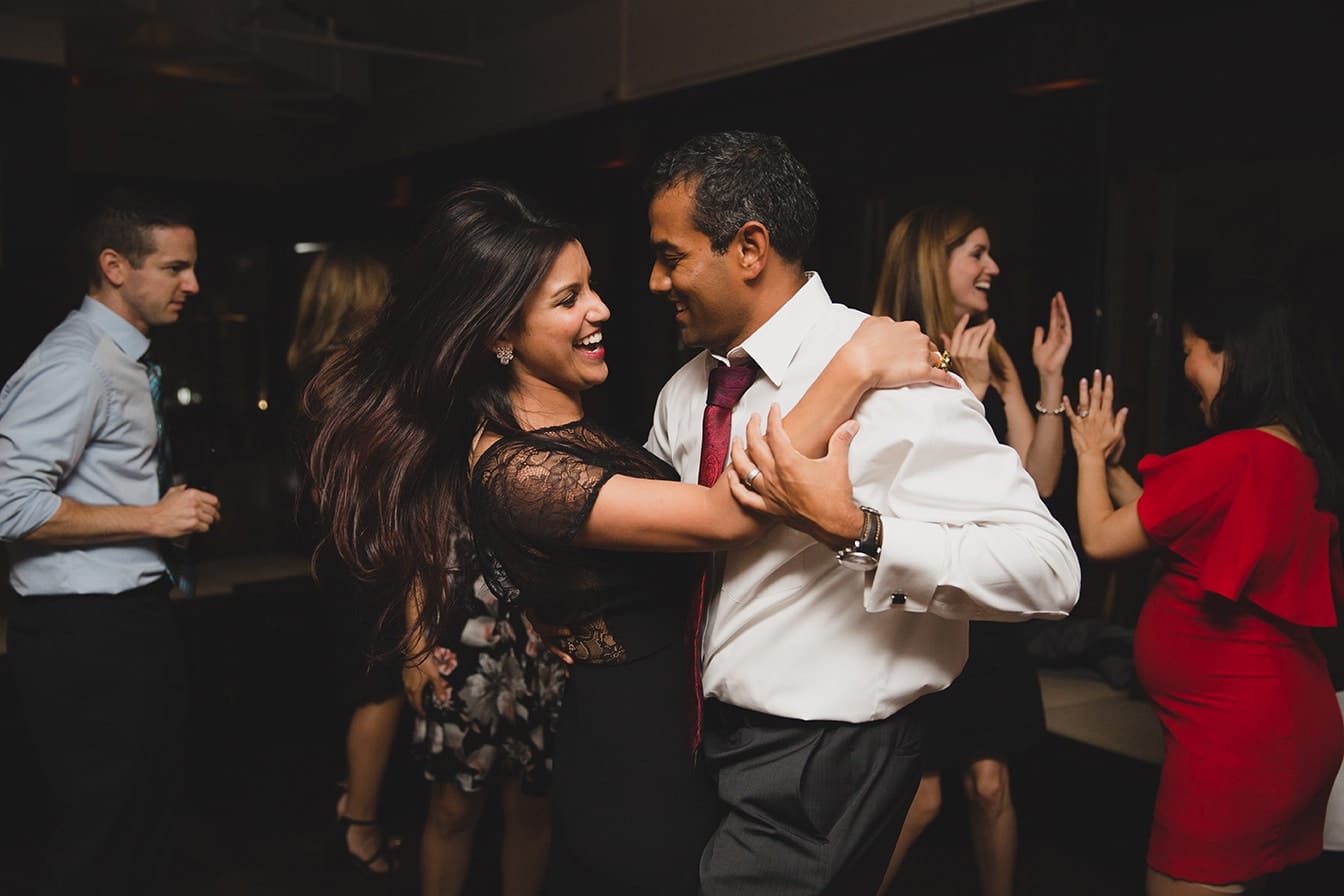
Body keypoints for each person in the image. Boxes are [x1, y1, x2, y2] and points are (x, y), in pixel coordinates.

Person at [304, 179, 959, 895]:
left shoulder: (556, 430)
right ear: (497, 333)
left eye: (590, 286)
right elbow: (723, 517)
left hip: (668, 709)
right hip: (633, 741)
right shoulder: (515, 467)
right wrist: (856, 365)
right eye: (567, 300)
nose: (601, 310)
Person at [644, 131, 1079, 895]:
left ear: (750, 249)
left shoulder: (897, 377)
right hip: (697, 736)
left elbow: (1050, 570)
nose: (654, 282)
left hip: (824, 754)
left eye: (672, 256)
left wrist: (860, 532)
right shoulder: (687, 390)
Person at [1064, 277, 1344, 895]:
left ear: (1230, 355)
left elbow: (1104, 539)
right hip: (1290, 727)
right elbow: (1165, 521)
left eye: (1190, 349)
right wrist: (1111, 467)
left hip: (1236, 744)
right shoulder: (1291, 456)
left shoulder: (1234, 456)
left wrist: (1086, 456)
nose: (1183, 366)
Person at [0, 188, 221, 895]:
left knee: (142, 819)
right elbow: (8, 500)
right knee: (99, 831)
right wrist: (152, 519)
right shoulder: (78, 363)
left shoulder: (121, 361)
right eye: (175, 267)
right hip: (84, 635)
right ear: (115, 266)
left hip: (129, 619)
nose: (193, 284)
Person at [869, 204, 1073, 896]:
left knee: (989, 784)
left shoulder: (994, 348)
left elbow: (1035, 482)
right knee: (919, 795)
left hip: (984, 601)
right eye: (977, 253)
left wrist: (1044, 383)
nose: (992, 269)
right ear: (937, 258)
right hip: (924, 600)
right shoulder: (888, 351)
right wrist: (971, 392)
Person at [287, 248, 405, 876]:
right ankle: (360, 823)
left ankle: (353, 799)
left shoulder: (313, 370)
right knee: (378, 686)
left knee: (362, 679)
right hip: (367, 548)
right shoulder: (350, 374)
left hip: (337, 547)